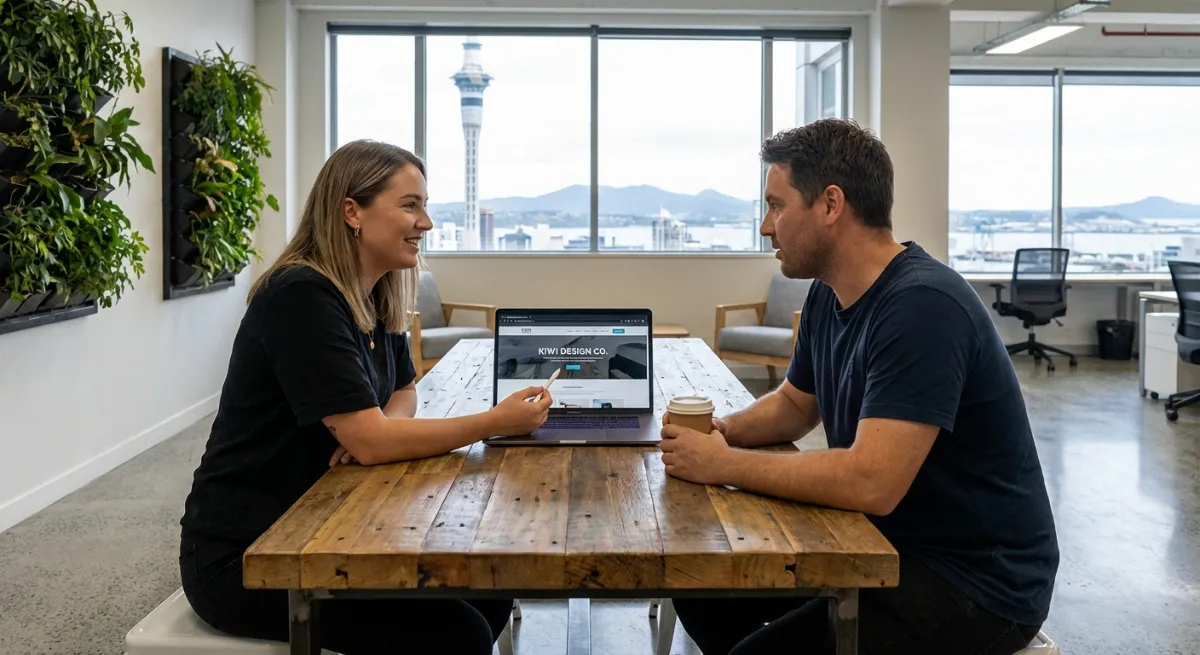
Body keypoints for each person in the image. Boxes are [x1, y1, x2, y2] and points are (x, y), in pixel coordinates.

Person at [660, 119, 1059, 655]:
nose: (765, 227)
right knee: (703, 592)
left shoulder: (923, 306)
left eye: (776, 206)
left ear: (831, 204)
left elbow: (872, 481)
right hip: (888, 540)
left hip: (976, 581)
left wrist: (722, 465)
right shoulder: (829, 293)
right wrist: (719, 433)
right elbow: (794, 405)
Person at [178, 140, 553, 654]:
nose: (426, 222)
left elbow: (403, 390)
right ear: (352, 211)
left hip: (326, 520)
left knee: (488, 593)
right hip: (251, 553)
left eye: (424, 205)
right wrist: (492, 422)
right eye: (410, 205)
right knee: (457, 632)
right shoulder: (300, 296)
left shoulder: (375, 292)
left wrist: (376, 431)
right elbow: (373, 441)